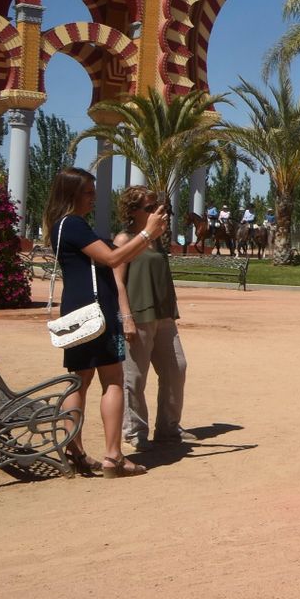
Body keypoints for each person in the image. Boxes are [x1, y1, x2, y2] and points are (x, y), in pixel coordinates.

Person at [44, 167, 168, 478]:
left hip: (78, 311)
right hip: (98, 311)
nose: (93, 198)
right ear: (71, 193)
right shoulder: (74, 224)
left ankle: (75, 452)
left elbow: (121, 255)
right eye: (88, 192)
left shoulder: (61, 225)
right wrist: (147, 233)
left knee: (79, 379)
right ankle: (113, 456)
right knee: (112, 380)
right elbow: (113, 260)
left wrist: (149, 235)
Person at [113, 186, 194, 450]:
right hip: (137, 315)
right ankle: (135, 431)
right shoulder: (124, 239)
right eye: (149, 208)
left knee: (176, 368)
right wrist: (125, 317)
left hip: (163, 315)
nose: (157, 212)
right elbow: (118, 282)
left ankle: (168, 428)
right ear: (132, 211)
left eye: (157, 207)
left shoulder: (157, 239)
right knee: (135, 377)